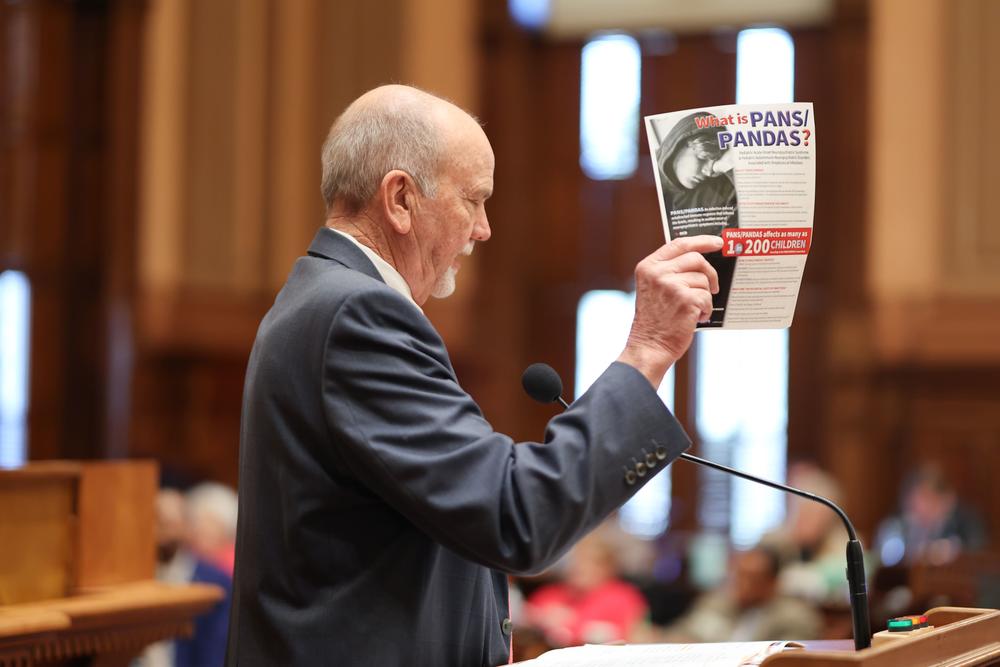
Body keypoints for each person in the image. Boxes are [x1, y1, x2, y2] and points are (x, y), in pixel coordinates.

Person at [226, 84, 722, 667]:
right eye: (474, 200)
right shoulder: (356, 316)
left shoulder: (319, 298)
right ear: (401, 199)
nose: (483, 229)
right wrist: (649, 350)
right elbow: (516, 516)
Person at [655, 112, 738, 327]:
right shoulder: (645, 185)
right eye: (701, 159)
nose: (706, 171)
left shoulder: (719, 187)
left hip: (711, 301)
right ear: (679, 145)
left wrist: (725, 166)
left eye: (713, 166)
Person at [661, 547, 821, 643]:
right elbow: (680, 633)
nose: (742, 585)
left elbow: (789, 660)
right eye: (739, 576)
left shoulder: (795, 618)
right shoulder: (715, 603)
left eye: (752, 578)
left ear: (773, 582)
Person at [525, 532, 649, 646]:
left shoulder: (624, 597)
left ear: (607, 567)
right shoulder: (550, 593)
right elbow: (525, 620)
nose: (577, 568)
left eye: (587, 562)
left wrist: (573, 624)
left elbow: (633, 637)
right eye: (574, 561)